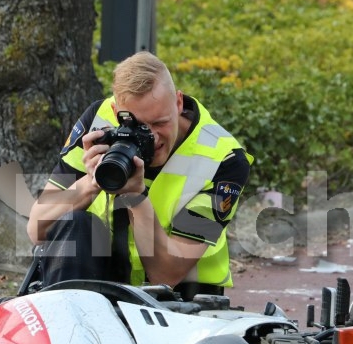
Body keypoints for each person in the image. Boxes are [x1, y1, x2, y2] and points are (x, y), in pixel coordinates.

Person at [26, 51, 252, 297]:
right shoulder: (97, 122)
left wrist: (136, 197)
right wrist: (92, 182)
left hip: (183, 301)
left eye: (160, 123)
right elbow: (37, 228)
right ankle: (69, 325)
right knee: (76, 222)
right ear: (115, 112)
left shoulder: (223, 158)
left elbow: (166, 275)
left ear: (178, 103)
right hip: (100, 283)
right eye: (139, 126)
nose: (152, 137)